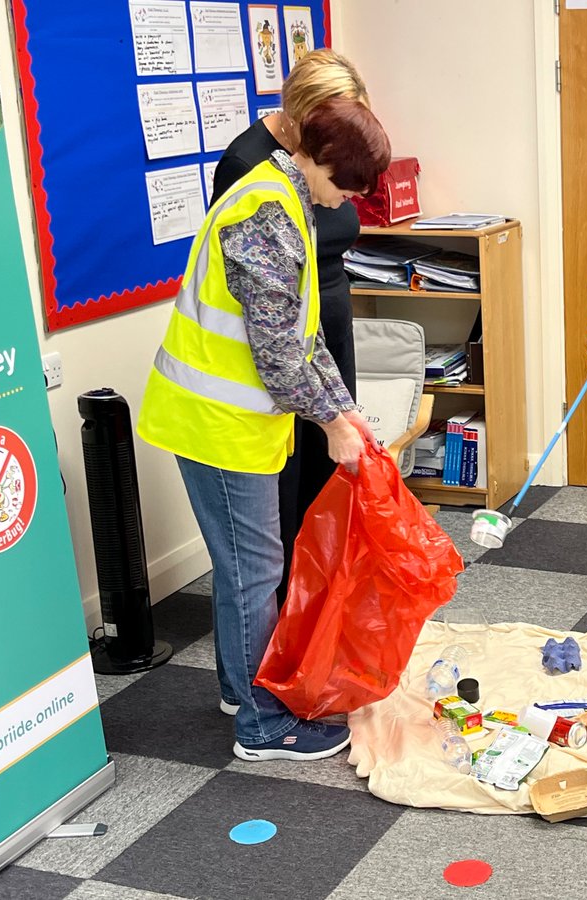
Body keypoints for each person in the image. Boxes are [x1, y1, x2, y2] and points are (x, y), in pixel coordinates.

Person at [138, 96, 392, 762]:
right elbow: (279, 356)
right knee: (256, 570)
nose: (344, 205)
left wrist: (347, 409)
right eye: (343, 187)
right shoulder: (265, 215)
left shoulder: (289, 196)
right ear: (316, 157)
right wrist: (333, 422)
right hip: (214, 420)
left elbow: (303, 335)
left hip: (231, 419)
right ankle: (261, 726)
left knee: (241, 568)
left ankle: (238, 689)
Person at [211, 49, 369, 609]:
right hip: (275, 347)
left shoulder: (324, 161)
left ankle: (317, 609)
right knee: (281, 496)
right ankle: (279, 621)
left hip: (320, 330)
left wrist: (335, 406)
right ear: (306, 117)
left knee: (327, 480)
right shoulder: (254, 167)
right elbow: (260, 305)